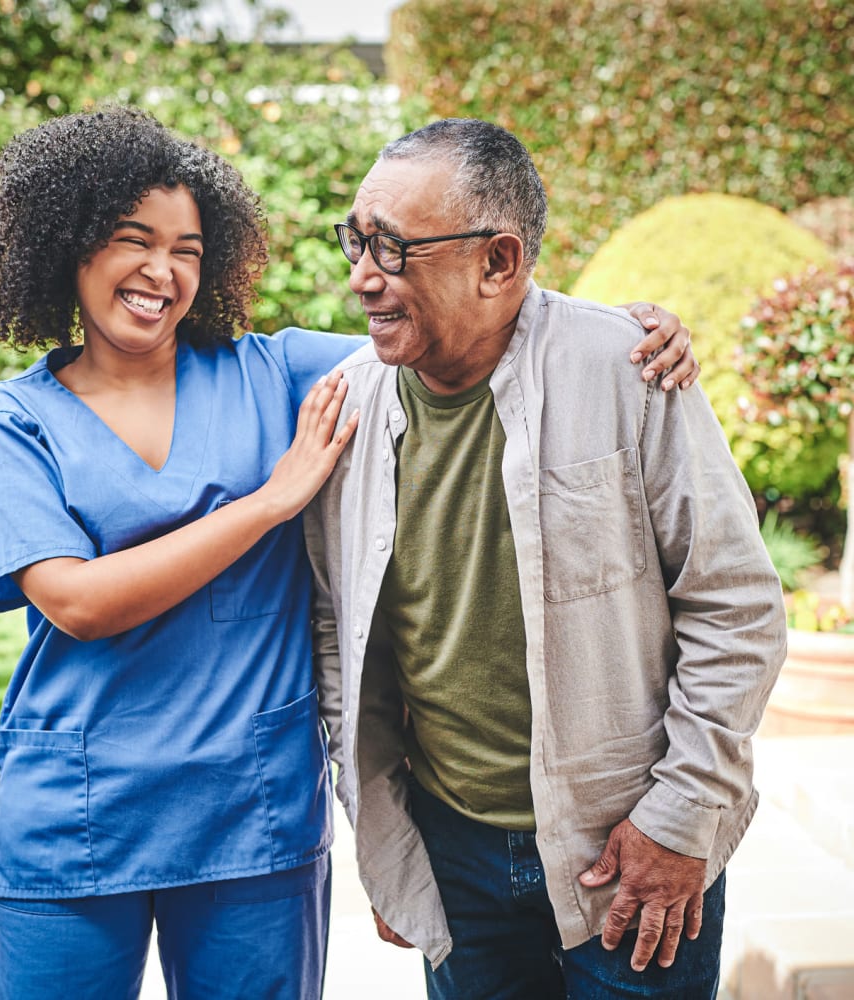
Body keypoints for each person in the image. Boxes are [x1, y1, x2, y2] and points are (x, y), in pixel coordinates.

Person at [0, 105, 695, 1000]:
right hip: (75, 822)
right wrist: (271, 503)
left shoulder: (283, 373)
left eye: (188, 249)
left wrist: (623, 331)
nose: (162, 270)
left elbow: (472, 323)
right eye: (132, 239)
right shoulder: (12, 420)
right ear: (68, 247)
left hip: (250, 820)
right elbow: (74, 602)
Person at [304, 117, 787, 1000]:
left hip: (631, 848)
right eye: (358, 239)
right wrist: (389, 841)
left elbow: (738, 608)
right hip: (452, 852)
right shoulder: (347, 408)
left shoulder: (628, 368)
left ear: (499, 262)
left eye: (394, 249)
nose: (361, 276)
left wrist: (681, 818)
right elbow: (341, 631)